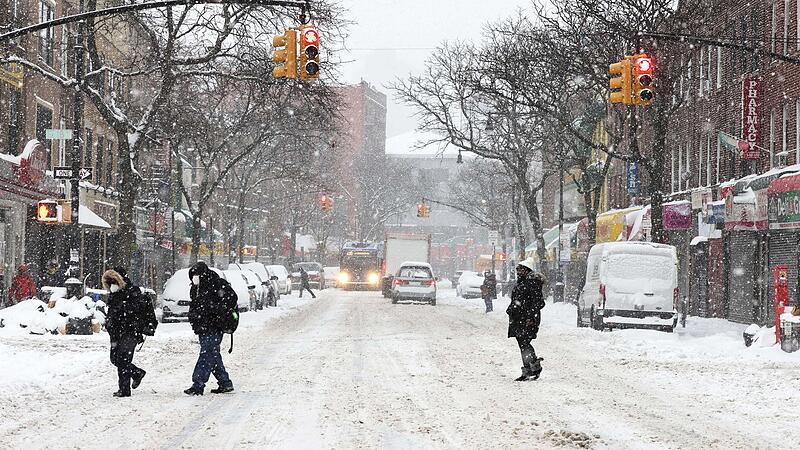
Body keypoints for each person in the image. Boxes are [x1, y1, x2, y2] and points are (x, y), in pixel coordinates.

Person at [185, 261, 235, 396]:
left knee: (206, 353)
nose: (194, 278)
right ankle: (225, 382)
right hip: (202, 326)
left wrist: (215, 309)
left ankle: (198, 384)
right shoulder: (196, 287)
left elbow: (231, 299)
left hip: (215, 326)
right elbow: (195, 305)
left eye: (196, 275)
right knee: (212, 354)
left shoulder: (217, 283)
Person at [103, 268, 148, 397]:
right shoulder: (114, 295)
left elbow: (135, 311)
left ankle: (124, 389)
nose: (112, 285)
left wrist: (121, 309)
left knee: (123, 359)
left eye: (114, 282)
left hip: (130, 332)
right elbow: (112, 313)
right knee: (115, 359)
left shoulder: (133, 292)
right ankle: (136, 373)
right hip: (117, 332)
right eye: (109, 282)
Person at [507, 258, 545, 381]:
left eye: (520, 269)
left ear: (526, 270)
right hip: (519, 318)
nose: (518, 271)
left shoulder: (531, 283)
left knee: (524, 343)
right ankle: (530, 367)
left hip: (527, 319)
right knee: (522, 343)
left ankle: (533, 366)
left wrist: (530, 316)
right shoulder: (522, 282)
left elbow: (539, 302)